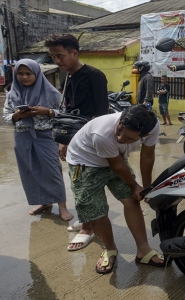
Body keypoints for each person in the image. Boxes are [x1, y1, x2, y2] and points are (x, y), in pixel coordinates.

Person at [66, 105, 164, 274]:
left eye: (127, 138)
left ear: (144, 135)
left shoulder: (152, 127)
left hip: (115, 157)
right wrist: (134, 185)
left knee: (132, 200)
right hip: (84, 162)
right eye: (119, 130)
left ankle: (143, 250)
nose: (119, 137)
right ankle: (110, 249)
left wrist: (146, 189)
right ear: (120, 120)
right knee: (97, 211)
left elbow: (147, 156)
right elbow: (117, 165)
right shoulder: (102, 134)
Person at [45, 33, 109, 251]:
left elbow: (101, 114)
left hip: (90, 142)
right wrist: (65, 141)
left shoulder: (94, 76)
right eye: (53, 57)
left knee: (87, 186)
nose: (57, 61)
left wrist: (88, 143)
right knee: (77, 184)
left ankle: (88, 229)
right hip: (74, 140)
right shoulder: (68, 78)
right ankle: (87, 222)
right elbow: (69, 115)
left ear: (75, 52)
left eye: (60, 55)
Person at [3, 59, 74, 221]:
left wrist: (47, 111)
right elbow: (6, 116)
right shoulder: (12, 94)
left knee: (52, 171)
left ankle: (62, 206)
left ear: (36, 74)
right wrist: (16, 115)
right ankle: (45, 202)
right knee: (30, 171)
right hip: (22, 137)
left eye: (28, 73)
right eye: (20, 73)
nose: (24, 77)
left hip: (45, 136)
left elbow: (64, 113)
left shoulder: (52, 93)